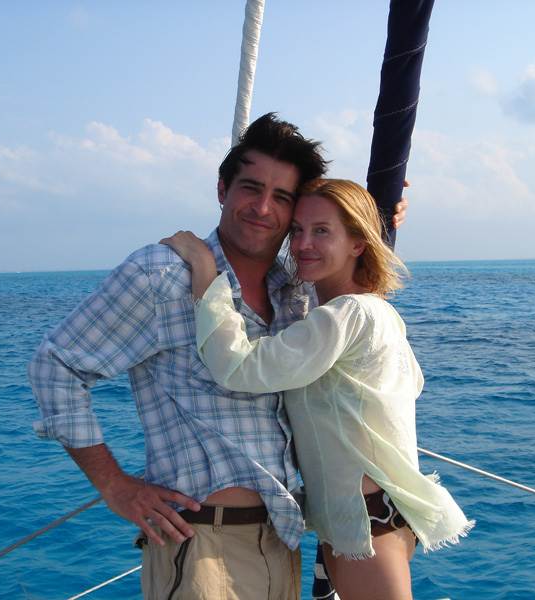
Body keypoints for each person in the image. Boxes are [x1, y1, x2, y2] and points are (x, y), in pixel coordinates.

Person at [28, 114, 406, 600]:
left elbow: (347, 275)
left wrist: (379, 216)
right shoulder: (161, 275)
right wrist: (114, 485)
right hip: (201, 545)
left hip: (281, 540)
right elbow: (55, 365)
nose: (263, 208)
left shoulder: (294, 289)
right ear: (222, 188)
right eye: (251, 188)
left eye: (282, 197)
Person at [162, 179, 473, 600]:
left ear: (358, 243)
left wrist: (204, 270)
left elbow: (239, 366)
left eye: (322, 231)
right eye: (297, 230)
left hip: (364, 521)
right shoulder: (374, 311)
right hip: (377, 514)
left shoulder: (344, 316)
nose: (303, 244)